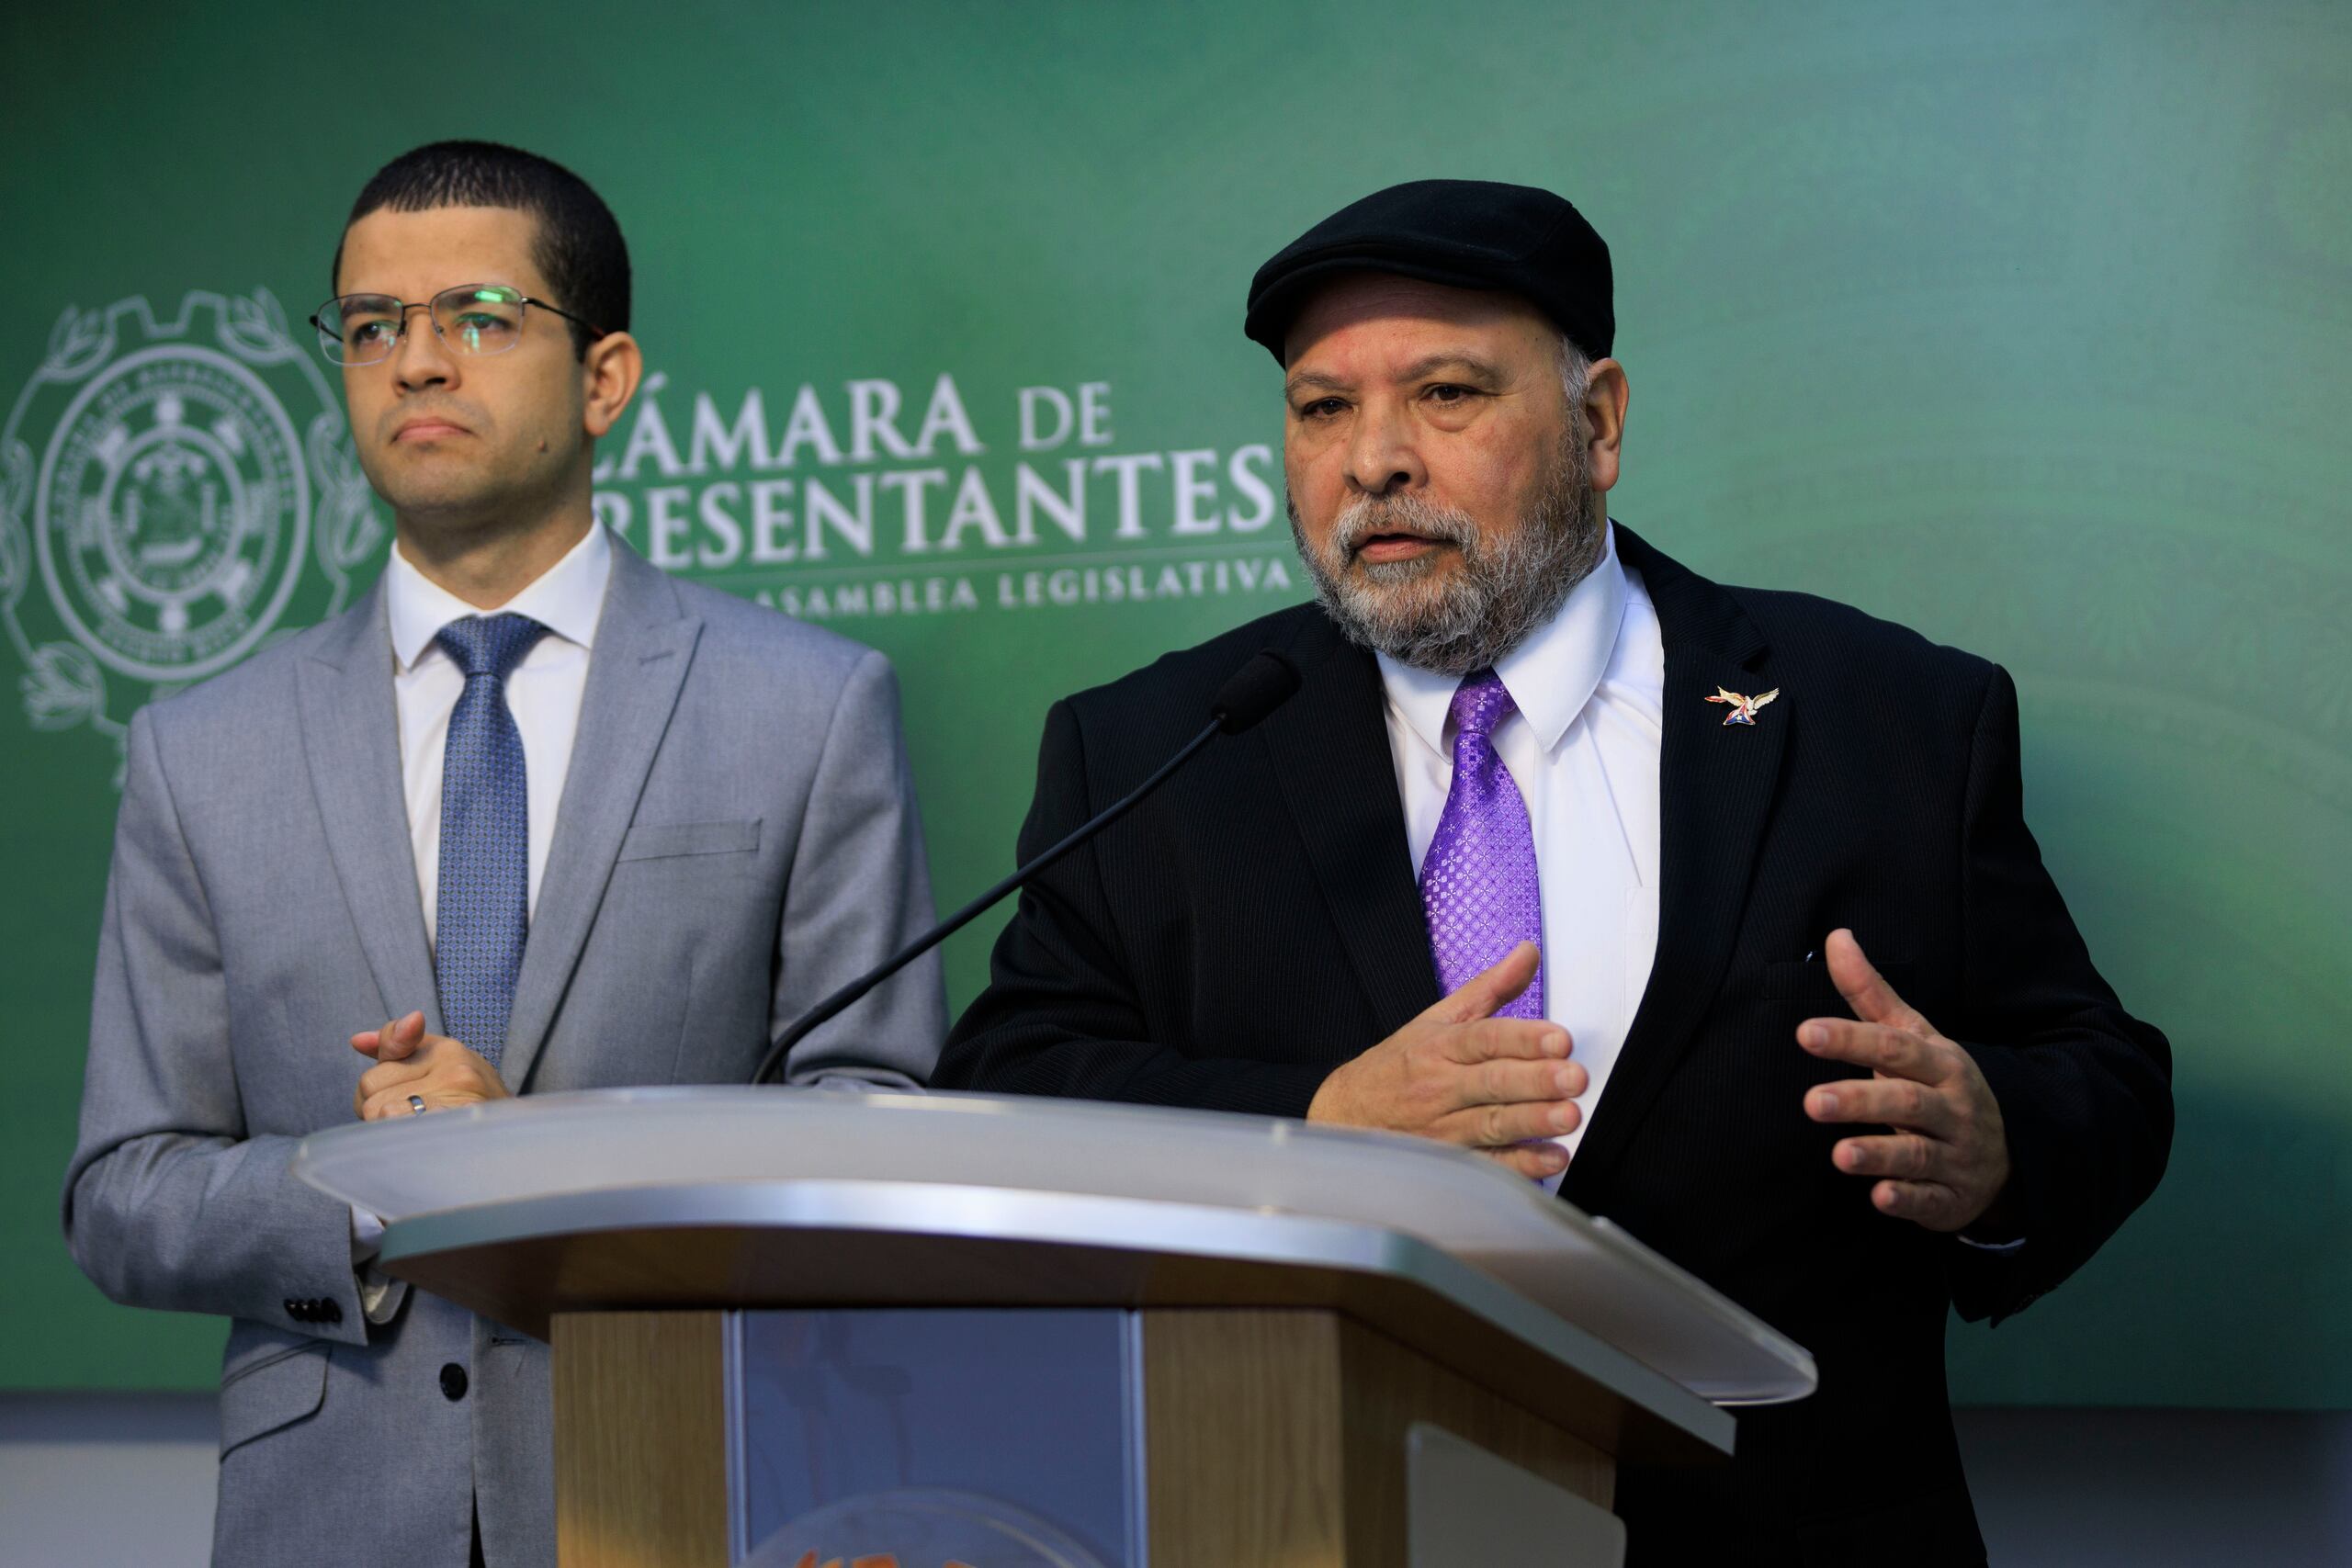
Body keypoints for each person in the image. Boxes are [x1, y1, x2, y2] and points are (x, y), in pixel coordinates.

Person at [936, 179, 2171, 1563]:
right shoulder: (1157, 749)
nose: (1374, 461)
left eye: (1447, 393)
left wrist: (1999, 1145)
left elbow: (2104, 1072)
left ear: (1599, 424)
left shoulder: (1885, 716)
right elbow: (1008, 1089)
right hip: (1310, 1513)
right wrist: (1318, 1122)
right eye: (1321, 407)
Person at [63, 141, 944, 1568]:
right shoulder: (198, 749)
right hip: (328, 1512)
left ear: (605, 377)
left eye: (476, 318)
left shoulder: (808, 704)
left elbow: (876, 1129)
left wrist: (535, 1163)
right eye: (370, 327)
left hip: (688, 1485)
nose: (415, 363)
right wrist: (365, 1184)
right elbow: (121, 1193)